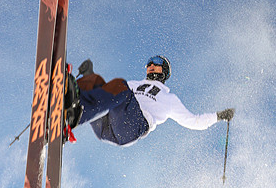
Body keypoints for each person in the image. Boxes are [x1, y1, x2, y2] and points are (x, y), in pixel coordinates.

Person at [64, 55, 234, 147]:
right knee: (97, 81)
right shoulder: (134, 84)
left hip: (132, 127)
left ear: (164, 70)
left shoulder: (169, 98)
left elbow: (194, 121)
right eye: (149, 63)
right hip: (106, 126)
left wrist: (219, 116)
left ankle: (77, 115)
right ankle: (67, 104)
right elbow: (106, 96)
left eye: (156, 63)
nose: (151, 65)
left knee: (120, 86)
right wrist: (89, 78)